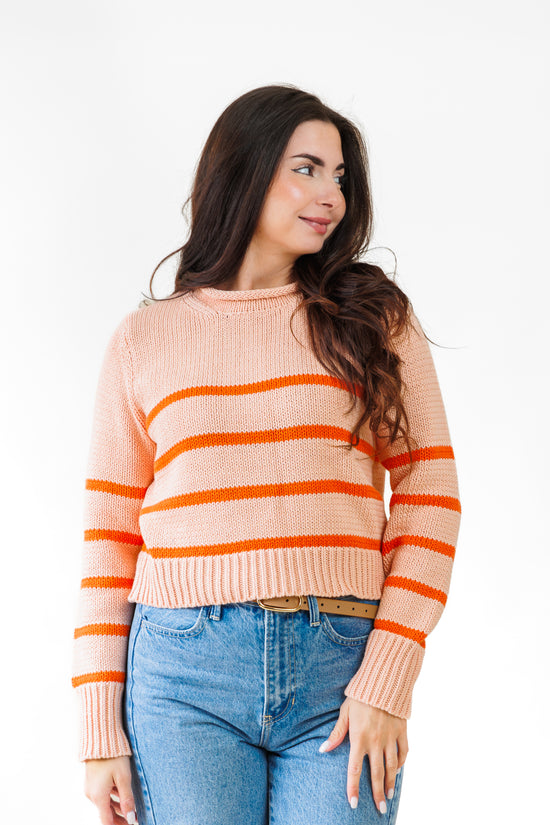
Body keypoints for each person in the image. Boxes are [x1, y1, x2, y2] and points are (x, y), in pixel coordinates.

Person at [72, 83, 461, 825]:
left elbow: (430, 498)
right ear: (243, 171)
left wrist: (387, 679)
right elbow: (109, 538)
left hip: (340, 666)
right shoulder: (144, 340)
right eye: (306, 169)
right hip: (181, 674)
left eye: (340, 176)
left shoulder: (373, 318)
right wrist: (98, 729)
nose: (331, 196)